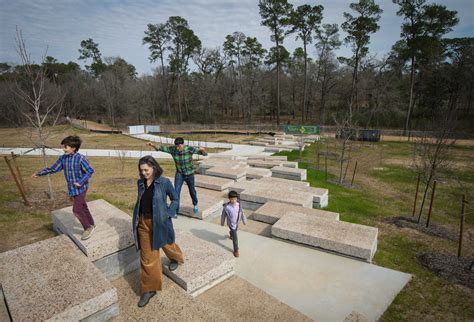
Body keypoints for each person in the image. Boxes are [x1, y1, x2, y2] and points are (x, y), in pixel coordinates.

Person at [132, 155, 185, 308]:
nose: (143, 173)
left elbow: (175, 199)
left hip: (160, 222)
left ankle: (176, 258)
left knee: (167, 244)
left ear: (154, 168)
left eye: (146, 170)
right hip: (143, 223)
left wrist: (169, 213)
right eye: (141, 170)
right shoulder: (140, 183)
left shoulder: (164, 182)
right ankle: (150, 289)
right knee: (148, 257)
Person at [32, 135, 95, 240]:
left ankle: (87, 228)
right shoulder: (63, 159)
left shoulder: (80, 158)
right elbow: (53, 169)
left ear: (73, 148)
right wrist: (39, 173)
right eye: (64, 146)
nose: (63, 149)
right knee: (83, 206)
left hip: (82, 188)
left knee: (77, 209)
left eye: (66, 147)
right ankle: (92, 224)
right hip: (72, 189)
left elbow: (90, 171)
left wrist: (80, 182)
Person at [147, 137, 207, 214]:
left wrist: (203, 150)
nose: (178, 148)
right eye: (176, 146)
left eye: (179, 146)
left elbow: (205, 154)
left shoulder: (189, 149)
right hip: (179, 174)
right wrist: (152, 145)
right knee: (176, 192)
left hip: (190, 174)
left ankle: (195, 204)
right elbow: (162, 148)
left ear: (183, 144)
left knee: (192, 191)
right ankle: (176, 210)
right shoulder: (173, 149)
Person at [221, 190, 247, 258]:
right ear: (229, 199)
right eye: (232, 199)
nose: (234, 200)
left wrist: (244, 221)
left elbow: (242, 213)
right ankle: (236, 250)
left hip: (237, 223)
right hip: (231, 224)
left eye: (235, 199)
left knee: (234, 232)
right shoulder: (227, 207)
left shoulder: (239, 205)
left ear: (237, 199)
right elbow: (223, 215)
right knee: (235, 238)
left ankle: (231, 233)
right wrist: (222, 222)